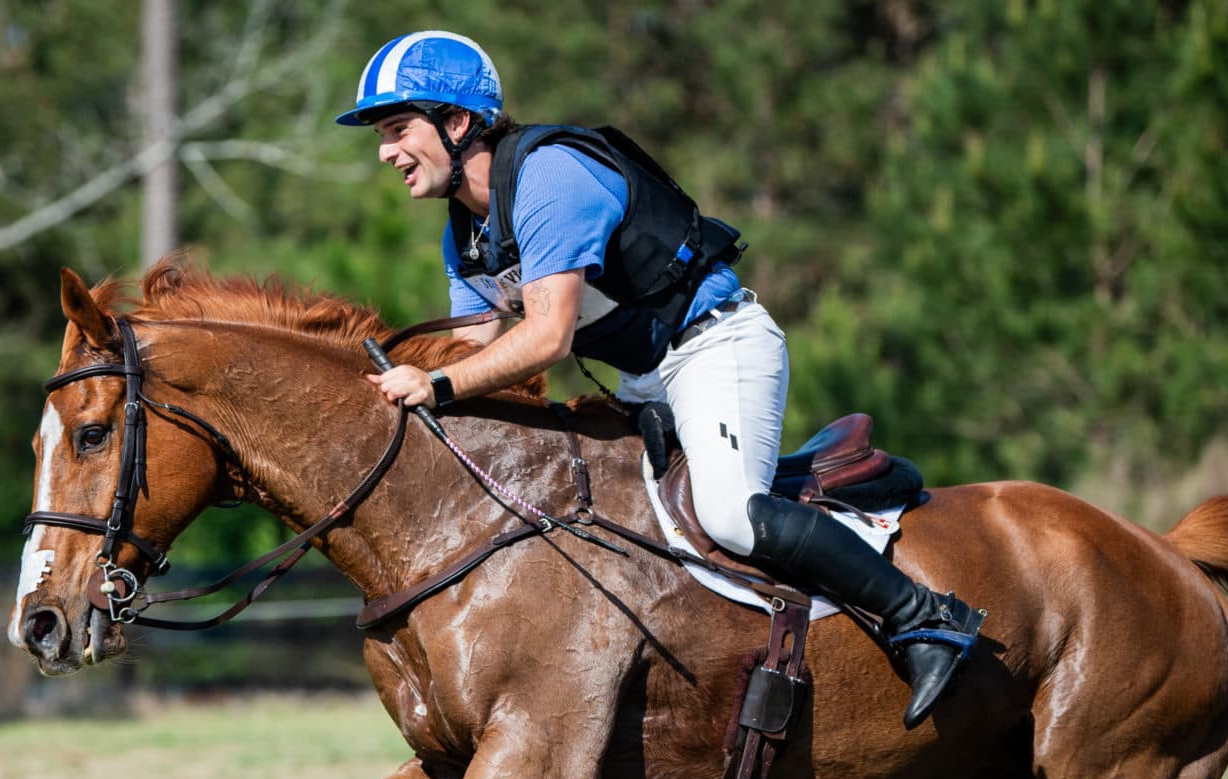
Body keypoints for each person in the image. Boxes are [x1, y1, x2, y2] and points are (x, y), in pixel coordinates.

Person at [340, 30, 985, 730]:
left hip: (716, 349)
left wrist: (433, 388)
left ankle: (926, 618)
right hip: (646, 378)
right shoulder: (464, 231)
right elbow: (470, 348)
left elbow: (547, 337)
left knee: (730, 515)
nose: (385, 152)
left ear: (456, 122)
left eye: (398, 129)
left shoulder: (547, 178)